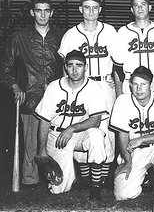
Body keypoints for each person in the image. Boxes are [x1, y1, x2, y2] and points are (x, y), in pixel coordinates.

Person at [0, 0, 64, 188]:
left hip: (56, 98)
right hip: (30, 98)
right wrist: (15, 87)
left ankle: (55, 178)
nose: (42, 14)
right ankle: (30, 180)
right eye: (38, 10)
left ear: (51, 13)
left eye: (46, 10)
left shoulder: (60, 36)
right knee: (30, 144)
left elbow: (70, 66)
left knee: (55, 140)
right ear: (32, 12)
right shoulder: (20, 37)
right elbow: (6, 67)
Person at [58, 0, 117, 190]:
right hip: (80, 87)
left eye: (94, 7)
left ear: (100, 10)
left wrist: (118, 91)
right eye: (86, 7)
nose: (91, 11)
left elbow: (118, 65)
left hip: (104, 84)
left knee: (106, 131)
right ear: (80, 9)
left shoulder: (110, 31)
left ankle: (105, 177)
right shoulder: (71, 34)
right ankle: (84, 177)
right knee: (82, 127)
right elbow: (64, 66)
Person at [34, 50, 108, 200]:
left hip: (80, 133)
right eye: (71, 66)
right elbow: (44, 120)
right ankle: (70, 175)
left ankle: (95, 187)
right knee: (58, 189)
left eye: (79, 65)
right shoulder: (54, 87)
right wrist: (42, 151)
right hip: (57, 136)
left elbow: (95, 120)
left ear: (85, 67)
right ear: (65, 67)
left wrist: (72, 128)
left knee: (97, 135)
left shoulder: (94, 87)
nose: (74, 70)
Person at [111, 66, 154, 201]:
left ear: (151, 85)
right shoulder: (122, 101)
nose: (139, 89)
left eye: (143, 84)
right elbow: (122, 136)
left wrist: (142, 139)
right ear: (130, 85)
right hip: (133, 152)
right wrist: (127, 162)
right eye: (135, 84)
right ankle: (144, 177)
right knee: (121, 195)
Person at [114, 0, 154, 95]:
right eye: (136, 5)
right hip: (131, 84)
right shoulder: (123, 32)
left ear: (149, 7)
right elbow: (117, 67)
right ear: (132, 10)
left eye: (143, 4)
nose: (140, 8)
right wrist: (118, 92)